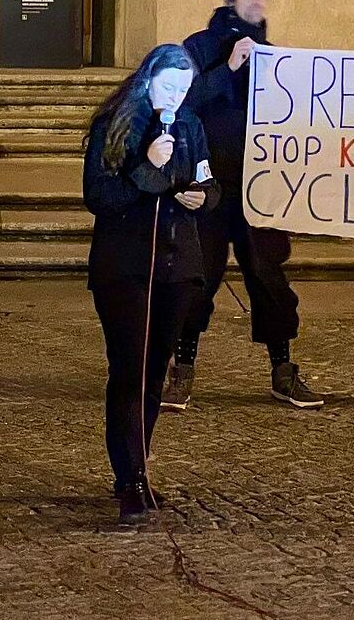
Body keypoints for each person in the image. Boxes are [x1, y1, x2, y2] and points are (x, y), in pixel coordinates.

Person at [163, 0, 324, 412]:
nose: (259, 0)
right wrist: (229, 68)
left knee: (270, 275)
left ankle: (283, 369)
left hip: (261, 184)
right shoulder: (199, 46)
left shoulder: (275, 55)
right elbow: (182, 101)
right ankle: (183, 367)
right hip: (209, 183)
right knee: (198, 275)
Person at [83, 44, 220, 526]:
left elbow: (210, 182)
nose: (176, 96)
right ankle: (130, 477)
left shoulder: (190, 126)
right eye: (168, 86)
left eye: (184, 88)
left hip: (176, 266)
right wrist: (148, 169)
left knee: (154, 372)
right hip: (127, 267)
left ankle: (138, 462)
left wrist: (199, 196)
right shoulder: (116, 126)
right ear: (148, 79)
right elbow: (99, 195)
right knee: (130, 369)